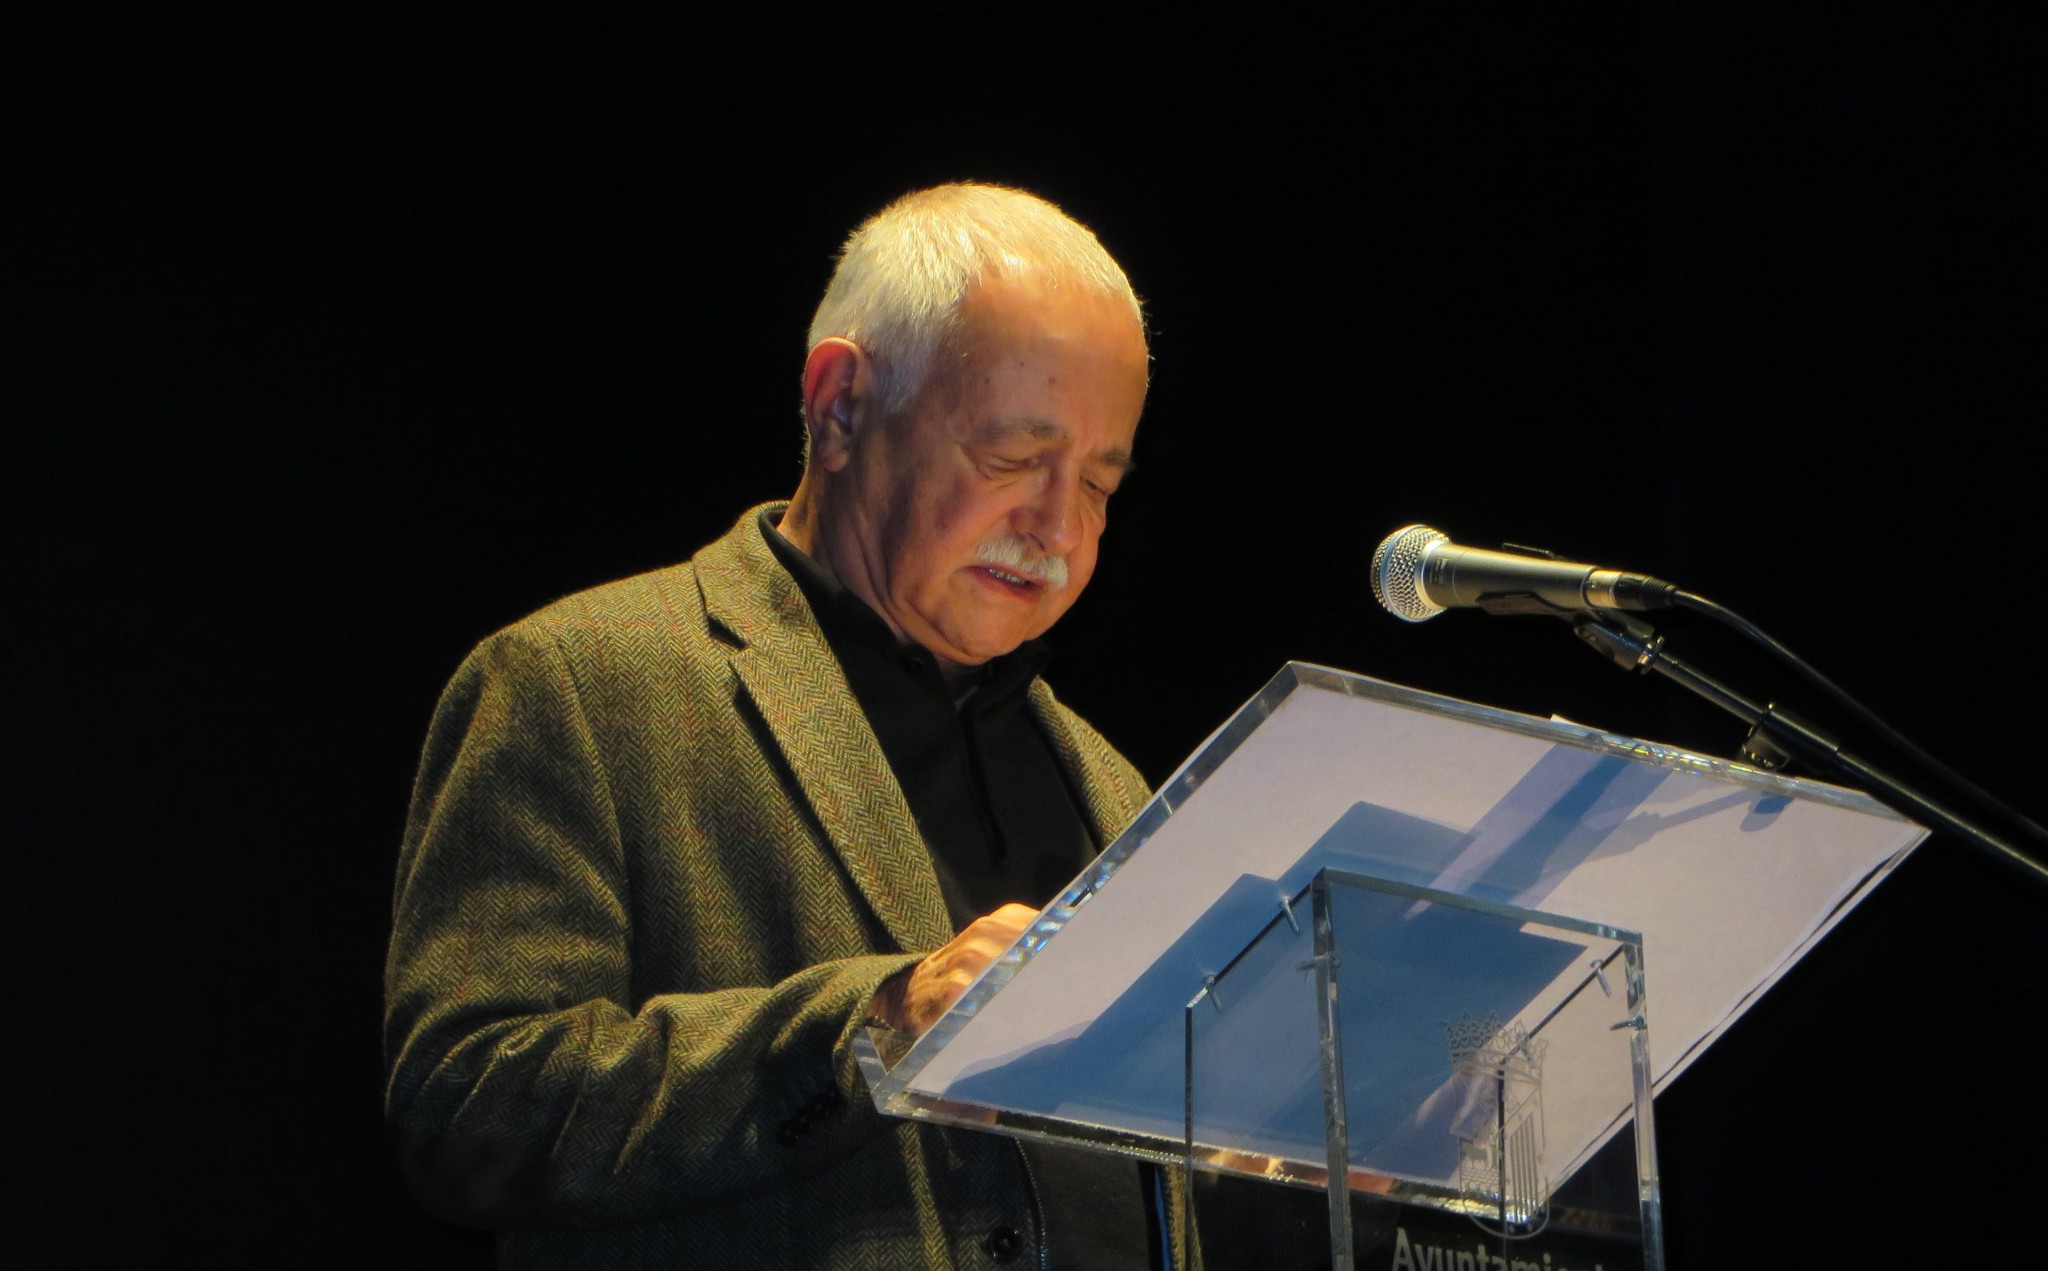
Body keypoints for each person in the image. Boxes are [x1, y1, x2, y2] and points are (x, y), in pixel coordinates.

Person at [383, 183, 1191, 1268]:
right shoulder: (581, 683)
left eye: (1100, 482)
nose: (1058, 526)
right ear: (840, 404)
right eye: (1011, 458)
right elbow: (471, 1110)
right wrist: (875, 1022)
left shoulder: (1111, 780)